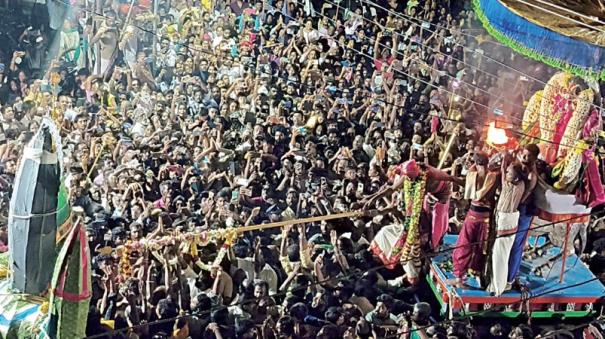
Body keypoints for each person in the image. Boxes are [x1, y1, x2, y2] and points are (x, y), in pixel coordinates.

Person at [451, 152, 499, 287]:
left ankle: (459, 279)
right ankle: (478, 275)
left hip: (473, 217)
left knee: (463, 245)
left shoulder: (472, 174)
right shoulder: (494, 175)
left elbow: (472, 194)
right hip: (486, 219)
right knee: (481, 248)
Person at [487, 154, 524, 296]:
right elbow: (503, 169)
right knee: (496, 253)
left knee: (500, 255)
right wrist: (506, 156)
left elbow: (505, 171)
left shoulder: (517, 185)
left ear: (516, 177)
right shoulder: (513, 183)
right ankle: (494, 284)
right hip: (502, 218)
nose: (506, 173)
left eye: (510, 172)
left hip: (507, 220)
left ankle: (498, 288)